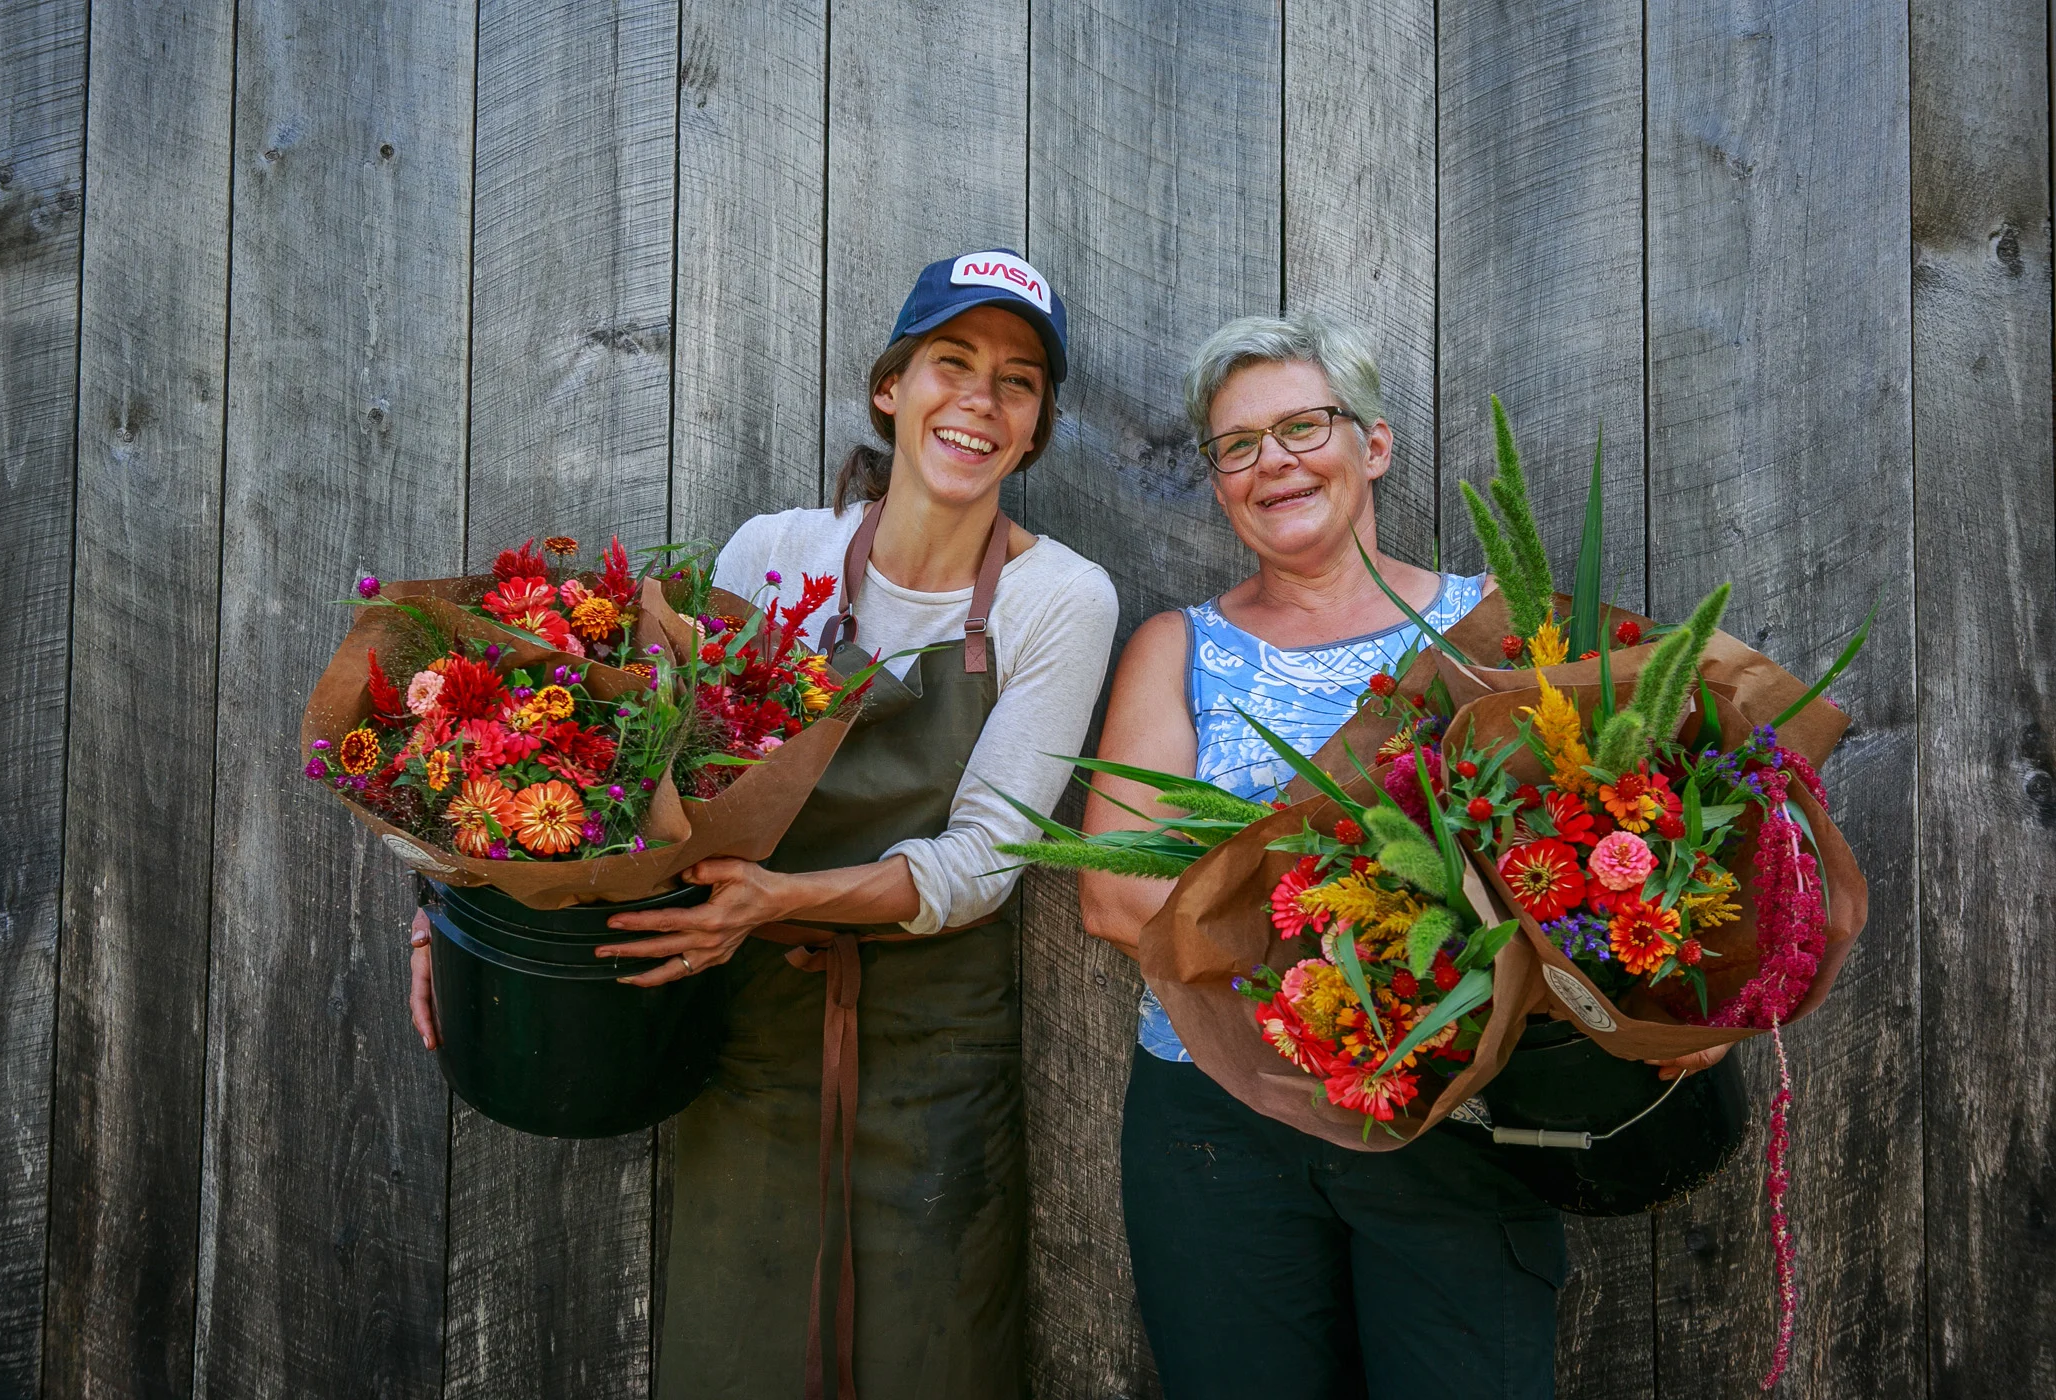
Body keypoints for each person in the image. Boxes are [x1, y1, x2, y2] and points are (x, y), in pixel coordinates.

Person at [1076, 312, 1714, 1398]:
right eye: (1238, 444)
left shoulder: (1505, 634)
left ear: (1371, 445)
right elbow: (1113, 892)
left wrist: (1671, 992)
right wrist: (1356, 987)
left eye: (1303, 426)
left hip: (1455, 1105)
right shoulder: (1176, 647)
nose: (1272, 460)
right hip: (1219, 1116)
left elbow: (1642, 827)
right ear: (1220, 480)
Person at [570, 249, 1108, 1398]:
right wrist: (457, 912)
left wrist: (782, 897)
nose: (979, 398)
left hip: (936, 1048)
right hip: (752, 1029)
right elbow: (638, 781)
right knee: (738, 1350)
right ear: (891, 389)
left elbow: (984, 860)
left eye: (1017, 382)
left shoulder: (1058, 595)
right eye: (949, 363)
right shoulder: (774, 558)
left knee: (936, 1352)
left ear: (1034, 429)